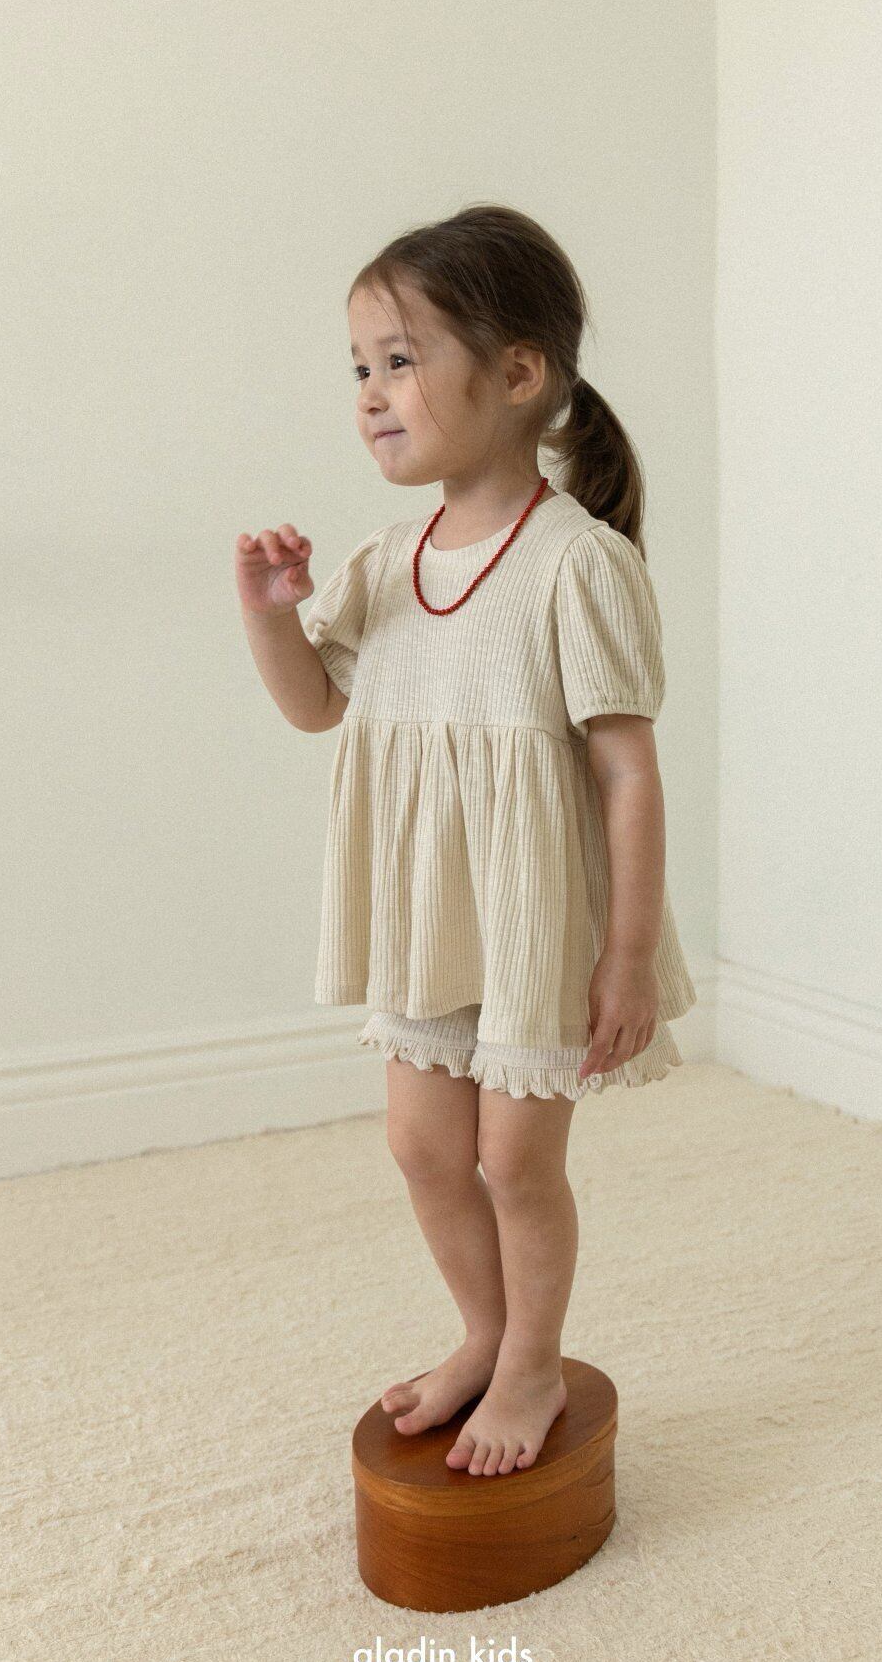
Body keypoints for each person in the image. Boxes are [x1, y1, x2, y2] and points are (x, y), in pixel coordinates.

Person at [237, 203, 696, 1479]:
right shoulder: (388, 561)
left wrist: (624, 958)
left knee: (512, 1162)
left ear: (516, 372)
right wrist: (269, 615)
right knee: (422, 1148)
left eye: (400, 360)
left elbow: (626, 770)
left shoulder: (575, 564)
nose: (370, 394)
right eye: (359, 367)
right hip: (430, 915)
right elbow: (316, 706)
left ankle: (534, 1362)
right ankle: (482, 1336)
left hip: (537, 922)